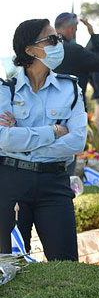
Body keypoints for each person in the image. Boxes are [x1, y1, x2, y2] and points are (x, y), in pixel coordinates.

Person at [0, 19, 88, 260]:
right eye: (52, 39)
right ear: (30, 50)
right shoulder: (4, 89)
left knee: (66, 265)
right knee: (10, 265)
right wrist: (54, 131)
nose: (58, 43)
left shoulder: (70, 88)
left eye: (58, 38)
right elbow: (4, 141)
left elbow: (77, 142)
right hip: (11, 184)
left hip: (54, 183)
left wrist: (23, 141)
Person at [53, 12, 99, 95]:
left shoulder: (43, 49)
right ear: (71, 29)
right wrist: (94, 35)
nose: (76, 31)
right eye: (76, 28)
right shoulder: (74, 51)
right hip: (74, 105)